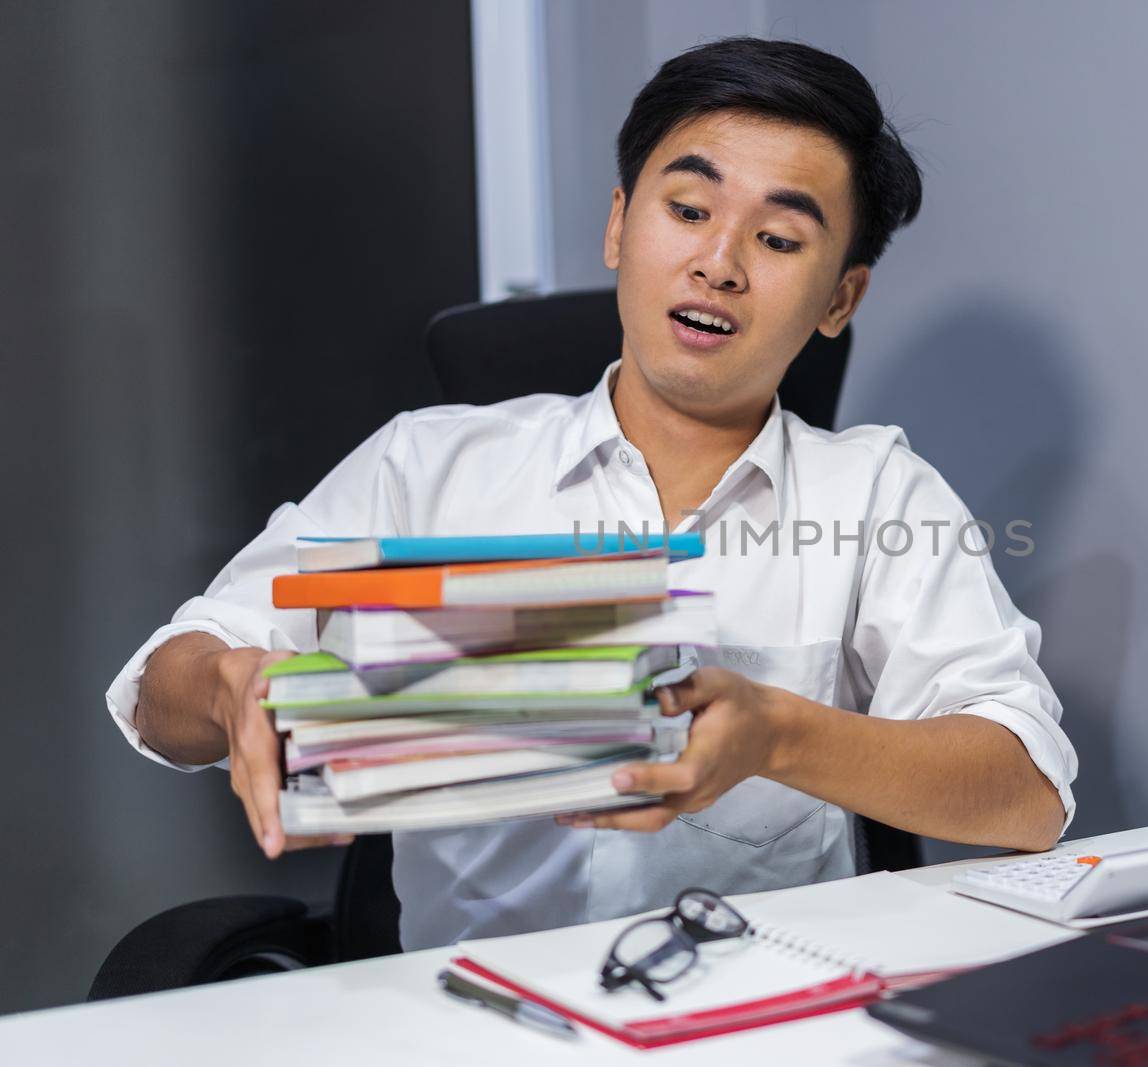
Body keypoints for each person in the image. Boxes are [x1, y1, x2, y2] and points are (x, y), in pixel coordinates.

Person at [106, 36, 1077, 948]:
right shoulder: (434, 468)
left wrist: (778, 734)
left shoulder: (877, 496)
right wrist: (228, 683)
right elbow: (158, 691)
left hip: (757, 1015)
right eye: (689, 211)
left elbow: (1026, 788)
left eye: (778, 239)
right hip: (464, 1021)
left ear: (838, 299)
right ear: (620, 225)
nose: (718, 263)